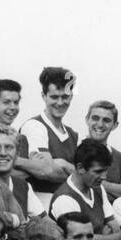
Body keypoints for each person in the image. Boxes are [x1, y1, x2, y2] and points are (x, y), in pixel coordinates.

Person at [49, 139, 121, 240]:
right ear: (80, 168)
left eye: (106, 171)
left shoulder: (98, 188)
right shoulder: (65, 199)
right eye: (98, 171)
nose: (104, 177)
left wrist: (96, 239)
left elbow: (118, 236)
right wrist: (105, 239)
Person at [19, 67, 78, 203]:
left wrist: (62, 164)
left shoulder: (73, 135)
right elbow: (47, 170)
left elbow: (86, 177)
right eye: (54, 97)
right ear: (43, 96)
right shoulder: (35, 126)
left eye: (65, 97)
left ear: (71, 96)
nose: (60, 103)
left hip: (70, 202)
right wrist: (74, 172)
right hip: (42, 202)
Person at [83, 100, 121, 198]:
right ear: (87, 120)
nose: (100, 124)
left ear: (115, 125)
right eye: (95, 118)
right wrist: (115, 190)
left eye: (106, 120)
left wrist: (88, 179)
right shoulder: (74, 146)